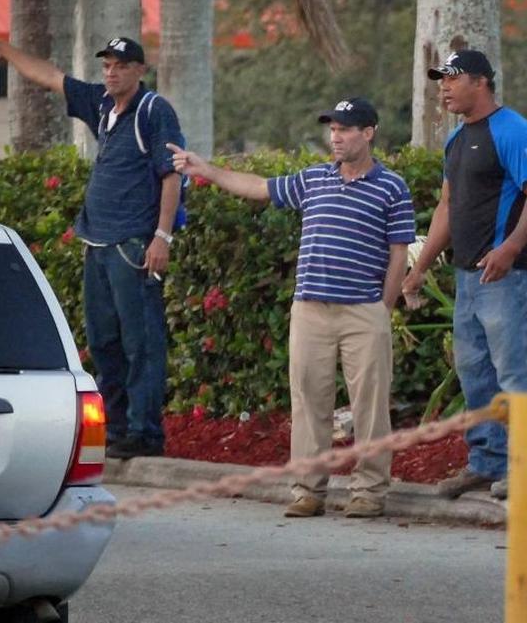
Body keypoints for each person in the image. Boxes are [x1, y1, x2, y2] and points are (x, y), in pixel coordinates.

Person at [168, 98, 415, 519]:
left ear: (369, 133)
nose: (335, 137)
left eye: (345, 129)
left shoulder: (392, 187)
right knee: (308, 402)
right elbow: (259, 187)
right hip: (310, 310)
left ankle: (370, 492)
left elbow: (398, 254)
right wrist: (205, 169)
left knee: (369, 405)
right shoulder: (314, 178)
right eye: (332, 129)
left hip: (363, 311)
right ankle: (308, 491)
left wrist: (382, 308)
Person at [0, 22, 181, 459]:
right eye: (107, 65)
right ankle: (118, 429)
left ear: (140, 69)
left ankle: (145, 432)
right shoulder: (103, 106)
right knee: (103, 341)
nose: (112, 73)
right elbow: (48, 76)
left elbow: (172, 172)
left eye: (121, 66)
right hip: (97, 244)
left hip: (132, 245)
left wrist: (162, 236)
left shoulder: (153, 110)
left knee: (140, 341)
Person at [402, 50, 527, 499]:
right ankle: (487, 463)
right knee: (475, 373)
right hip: (468, 279)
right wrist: (420, 267)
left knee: (516, 373)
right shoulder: (456, 139)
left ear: (481, 82)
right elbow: (447, 206)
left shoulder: (514, 130)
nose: (443, 87)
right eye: (441, 80)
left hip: (508, 277)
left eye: (452, 78)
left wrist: (509, 247)